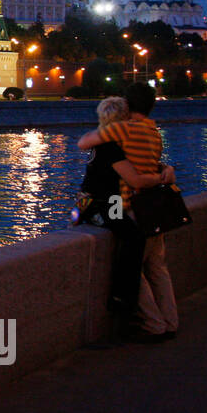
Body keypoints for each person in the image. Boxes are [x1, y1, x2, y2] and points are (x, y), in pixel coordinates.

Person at [78, 83, 179, 341]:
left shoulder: (119, 134)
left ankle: (154, 325)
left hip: (135, 207)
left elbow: (84, 143)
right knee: (158, 267)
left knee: (136, 269)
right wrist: (165, 172)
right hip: (156, 207)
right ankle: (171, 322)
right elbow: (150, 161)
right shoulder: (153, 132)